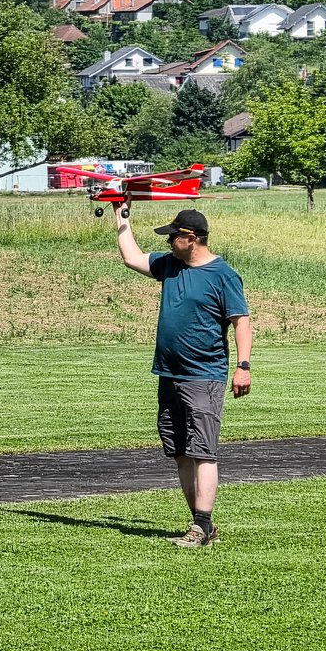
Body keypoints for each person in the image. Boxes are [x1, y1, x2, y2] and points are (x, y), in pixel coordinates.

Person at [114, 205, 252, 549]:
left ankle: (200, 526)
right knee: (179, 451)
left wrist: (243, 366)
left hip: (204, 375)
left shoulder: (223, 276)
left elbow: (241, 322)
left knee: (203, 450)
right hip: (168, 374)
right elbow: (131, 258)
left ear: (190, 239)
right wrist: (120, 217)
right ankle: (201, 523)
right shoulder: (170, 266)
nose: (168, 241)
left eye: (173, 236)